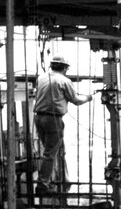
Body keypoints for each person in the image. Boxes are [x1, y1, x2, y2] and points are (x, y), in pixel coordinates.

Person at [33, 54, 93, 197]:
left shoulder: (41, 78)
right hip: (53, 119)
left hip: (39, 117)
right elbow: (76, 100)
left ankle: (57, 180)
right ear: (65, 68)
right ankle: (42, 185)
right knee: (50, 153)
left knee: (51, 151)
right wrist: (88, 97)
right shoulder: (65, 81)